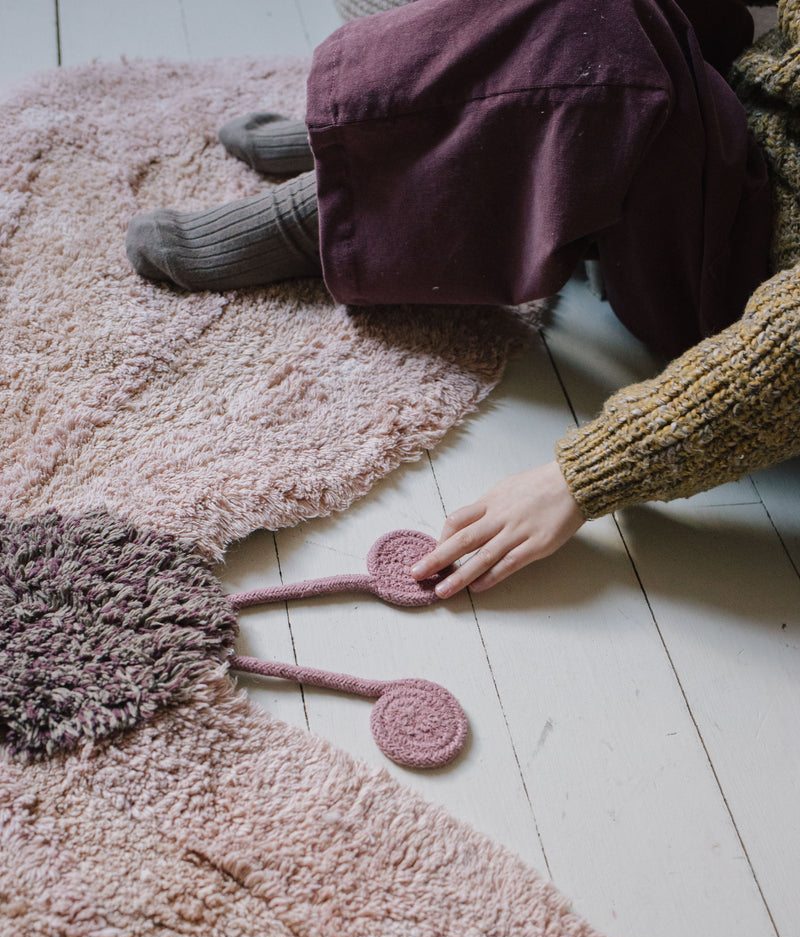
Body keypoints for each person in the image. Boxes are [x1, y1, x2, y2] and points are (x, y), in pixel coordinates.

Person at [126, 0, 800, 599]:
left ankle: (328, 207)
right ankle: (360, 143)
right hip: (743, 128)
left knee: (599, 32)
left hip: (745, 279)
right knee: (611, 17)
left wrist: (584, 477)